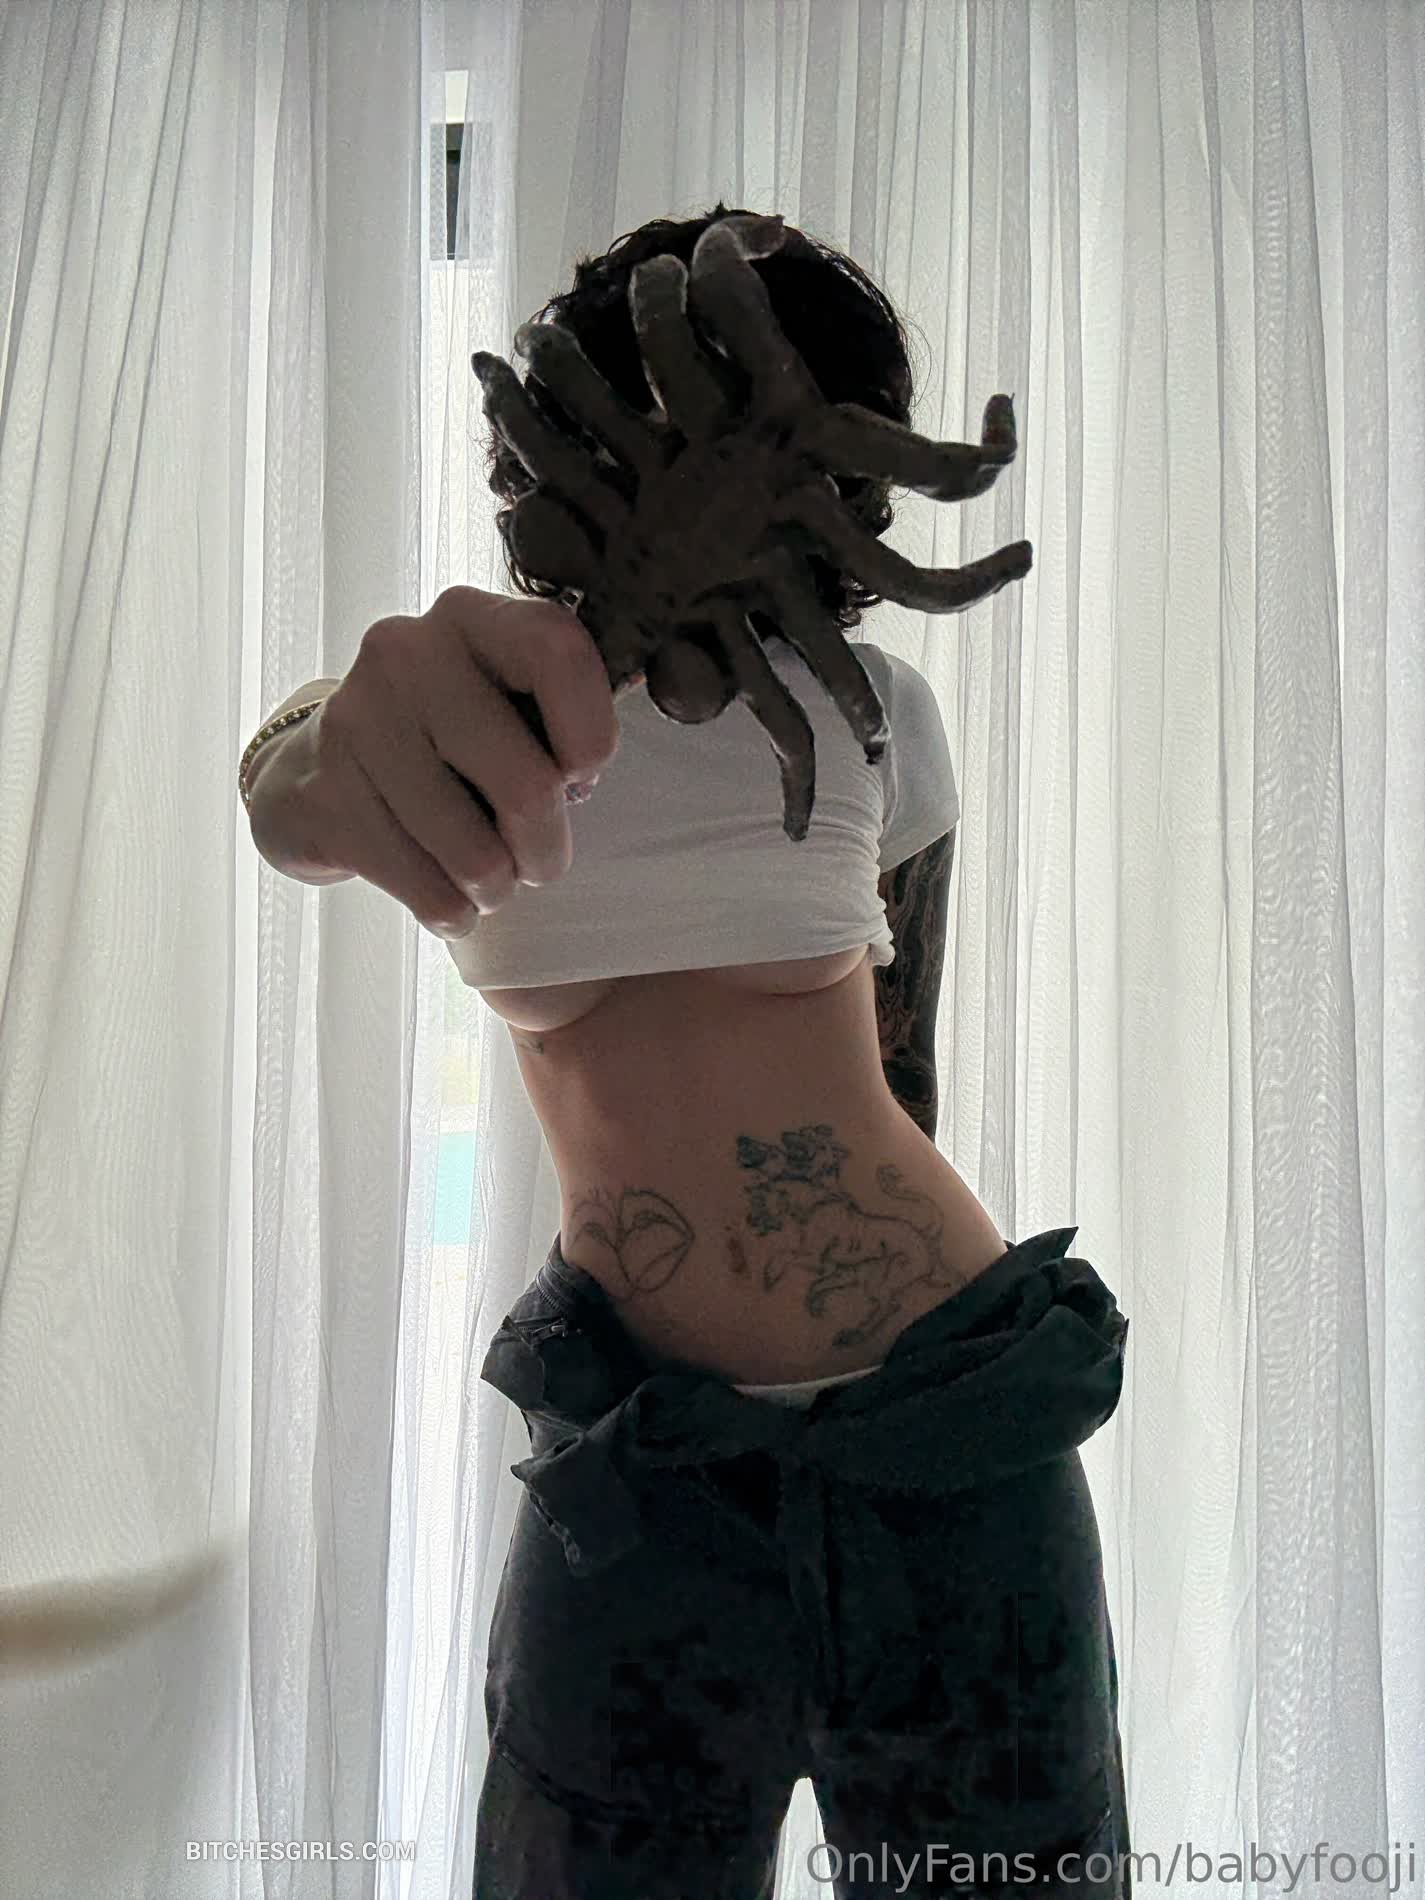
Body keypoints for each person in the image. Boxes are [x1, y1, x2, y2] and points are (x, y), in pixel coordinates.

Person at [242, 206, 1131, 1900]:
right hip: (640, 1461)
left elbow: (901, 1058)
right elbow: (299, 776)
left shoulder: (874, 706)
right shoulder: (469, 710)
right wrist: (291, 748)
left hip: (951, 1431)